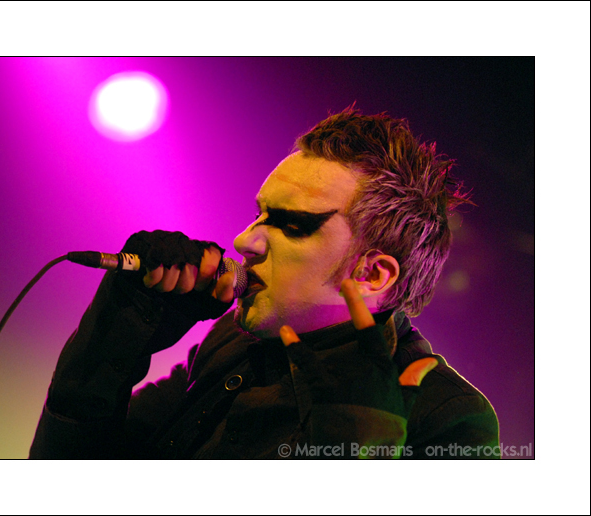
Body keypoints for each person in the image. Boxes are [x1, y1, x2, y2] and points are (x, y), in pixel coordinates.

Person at [30, 106, 499, 459]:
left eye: (291, 225)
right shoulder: (234, 340)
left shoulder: (446, 418)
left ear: (371, 275)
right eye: (259, 214)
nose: (244, 241)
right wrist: (116, 337)